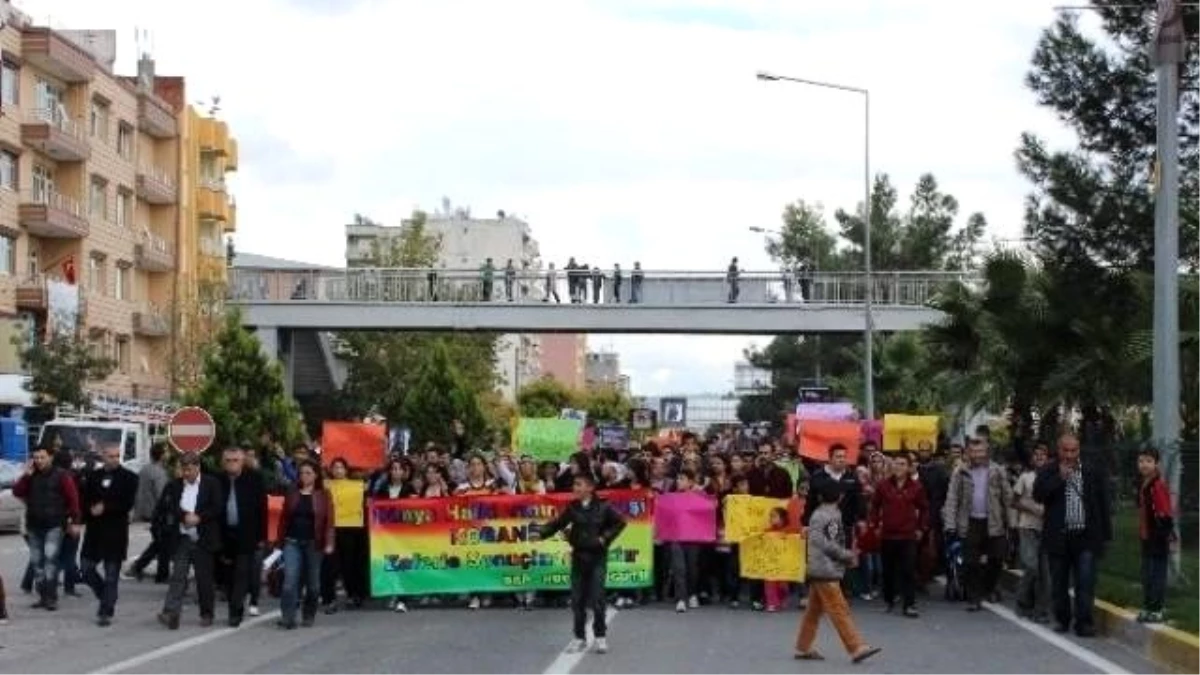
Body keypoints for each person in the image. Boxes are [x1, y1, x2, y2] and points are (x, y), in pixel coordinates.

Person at [535, 472, 627, 655]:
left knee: (597, 599)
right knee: (577, 601)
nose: (575, 488)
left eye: (579, 484)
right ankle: (579, 638)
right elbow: (557, 524)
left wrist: (604, 538)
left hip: (597, 558)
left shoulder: (604, 507)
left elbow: (620, 523)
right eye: (574, 485)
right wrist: (542, 532)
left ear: (590, 487)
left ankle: (600, 637)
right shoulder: (572, 507)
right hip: (578, 556)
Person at [1033, 433, 1111, 637]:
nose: (1069, 455)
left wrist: (1105, 537)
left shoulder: (1092, 471)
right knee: (1059, 584)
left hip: (1085, 537)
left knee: (1085, 582)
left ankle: (1084, 623)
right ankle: (1062, 619)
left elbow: (1103, 504)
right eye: (1065, 450)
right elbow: (1038, 495)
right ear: (1058, 451)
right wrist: (1060, 478)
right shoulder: (1048, 470)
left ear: (1079, 450)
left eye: (1073, 450)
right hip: (1059, 537)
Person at [794, 482, 881, 664]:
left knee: (813, 611)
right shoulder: (829, 515)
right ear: (840, 497)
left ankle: (803, 647)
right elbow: (824, 542)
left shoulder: (821, 514)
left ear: (819, 497)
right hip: (826, 568)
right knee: (838, 608)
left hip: (822, 566)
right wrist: (846, 555)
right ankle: (856, 647)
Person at [943, 436, 1012, 611]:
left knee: (997, 559)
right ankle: (974, 598)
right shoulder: (960, 472)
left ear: (987, 452)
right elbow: (952, 499)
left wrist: (1012, 523)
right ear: (968, 453)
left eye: (981, 451)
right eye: (974, 451)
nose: (977, 455)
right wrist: (950, 525)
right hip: (970, 522)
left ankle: (986, 589)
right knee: (970, 562)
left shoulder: (998, 471)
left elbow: (1007, 497)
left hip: (994, 522)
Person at [157, 452, 224, 630]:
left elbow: (217, 507)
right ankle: (171, 613)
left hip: (203, 538)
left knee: (204, 579)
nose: (185, 473)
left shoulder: (211, 483)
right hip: (182, 537)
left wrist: (199, 517)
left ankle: (207, 613)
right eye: (183, 469)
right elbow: (171, 506)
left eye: (189, 469)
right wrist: (184, 516)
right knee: (178, 576)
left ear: (197, 467)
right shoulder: (175, 485)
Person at [12, 446, 82, 611]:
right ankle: (43, 596)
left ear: (50, 457)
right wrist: (26, 476)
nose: (39, 461)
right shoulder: (31, 476)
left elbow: (73, 499)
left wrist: (75, 522)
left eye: (42, 457)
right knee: (37, 562)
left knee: (51, 560)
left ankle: (51, 597)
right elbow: (17, 491)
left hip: (54, 524)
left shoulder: (61, 476)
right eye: (36, 457)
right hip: (34, 525)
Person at [79, 441, 139, 626]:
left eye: (117, 456)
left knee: (112, 573)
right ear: (103, 456)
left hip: (115, 532)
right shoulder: (93, 476)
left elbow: (127, 503)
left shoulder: (129, 477)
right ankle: (105, 594)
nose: (114, 459)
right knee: (86, 569)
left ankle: (105, 611)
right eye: (110, 456)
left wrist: (106, 507)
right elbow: (85, 499)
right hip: (95, 532)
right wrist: (89, 510)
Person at [275, 460, 335, 630]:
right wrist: (279, 542)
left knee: (314, 585)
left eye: (308, 473)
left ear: (316, 475)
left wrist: (329, 543)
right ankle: (288, 618)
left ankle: (309, 613)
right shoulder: (292, 493)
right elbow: (284, 519)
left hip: (314, 544)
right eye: (301, 473)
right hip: (291, 542)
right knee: (289, 582)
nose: (304, 476)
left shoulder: (324, 495)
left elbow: (330, 522)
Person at [869, 452, 928, 618]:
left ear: (909, 467)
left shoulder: (917, 487)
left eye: (902, 464)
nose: (898, 467)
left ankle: (909, 604)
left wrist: (921, 528)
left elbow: (924, 509)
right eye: (896, 463)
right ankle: (889, 600)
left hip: (908, 535)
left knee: (908, 570)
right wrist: (874, 525)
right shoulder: (883, 485)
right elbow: (874, 506)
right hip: (887, 534)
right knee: (887, 571)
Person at [216, 446, 269, 627]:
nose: (231, 464)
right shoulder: (217, 480)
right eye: (228, 460)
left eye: (235, 460)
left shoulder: (254, 479)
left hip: (247, 534)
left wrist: (262, 536)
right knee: (228, 576)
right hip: (224, 535)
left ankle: (235, 612)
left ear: (242, 461)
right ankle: (234, 603)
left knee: (241, 574)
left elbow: (263, 509)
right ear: (223, 462)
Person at [1135, 446, 1173, 624]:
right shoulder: (1144, 485)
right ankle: (1148, 606)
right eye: (1142, 461)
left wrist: (1163, 536)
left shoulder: (1157, 486)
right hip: (1146, 537)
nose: (1144, 465)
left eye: (1149, 461)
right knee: (1146, 574)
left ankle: (1156, 609)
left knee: (1156, 574)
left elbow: (1165, 513)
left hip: (1157, 538)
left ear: (1156, 464)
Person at [1013, 443, 1050, 623]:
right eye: (1036, 454)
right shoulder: (1026, 477)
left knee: (1045, 572)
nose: (1040, 457)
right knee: (1031, 566)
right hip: (1028, 527)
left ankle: (1041, 610)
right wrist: (1032, 508)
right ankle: (1022, 602)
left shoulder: (1053, 477)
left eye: (1043, 455)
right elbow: (1015, 501)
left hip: (1047, 530)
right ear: (1032, 458)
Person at [126, 442, 171, 582]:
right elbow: (162, 494)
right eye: (167, 451)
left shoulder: (145, 469)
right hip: (158, 513)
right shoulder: (159, 472)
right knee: (163, 544)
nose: (169, 454)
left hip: (147, 511)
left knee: (159, 543)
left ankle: (139, 567)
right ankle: (159, 575)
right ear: (162, 455)